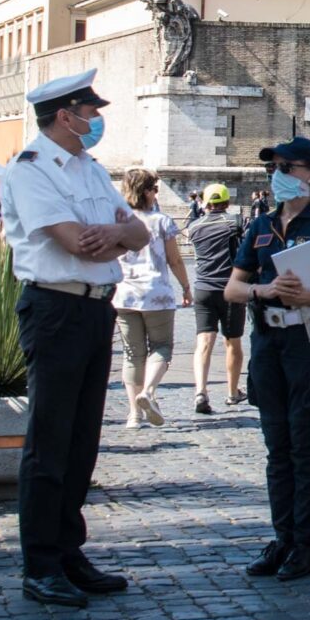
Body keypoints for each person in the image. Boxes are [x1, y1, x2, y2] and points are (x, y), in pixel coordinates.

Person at [0, 70, 147, 608]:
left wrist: (115, 235)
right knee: (50, 437)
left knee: (83, 436)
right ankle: (39, 562)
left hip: (94, 308)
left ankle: (68, 550)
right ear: (66, 115)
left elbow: (141, 233)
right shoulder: (32, 169)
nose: (95, 120)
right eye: (90, 111)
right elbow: (76, 243)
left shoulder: (90, 169)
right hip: (55, 306)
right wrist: (116, 238)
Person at [224, 136, 310, 582]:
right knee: (275, 446)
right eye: (274, 168)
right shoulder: (261, 224)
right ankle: (281, 535)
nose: (279, 175)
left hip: (307, 340)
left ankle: (305, 542)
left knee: (304, 445)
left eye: (288, 166)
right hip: (268, 341)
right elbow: (232, 288)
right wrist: (264, 290)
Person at [114, 168, 192, 429]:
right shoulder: (162, 221)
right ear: (147, 192)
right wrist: (185, 286)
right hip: (156, 293)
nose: (156, 193)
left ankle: (133, 415)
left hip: (124, 294)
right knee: (161, 347)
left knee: (131, 353)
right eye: (155, 189)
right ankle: (148, 391)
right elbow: (175, 259)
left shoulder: (117, 221)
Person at [185, 182, 247, 414]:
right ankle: (232, 393)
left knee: (204, 341)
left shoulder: (194, 226)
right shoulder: (235, 222)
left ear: (205, 203)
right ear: (226, 203)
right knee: (232, 342)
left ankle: (201, 390)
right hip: (230, 288)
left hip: (203, 287)